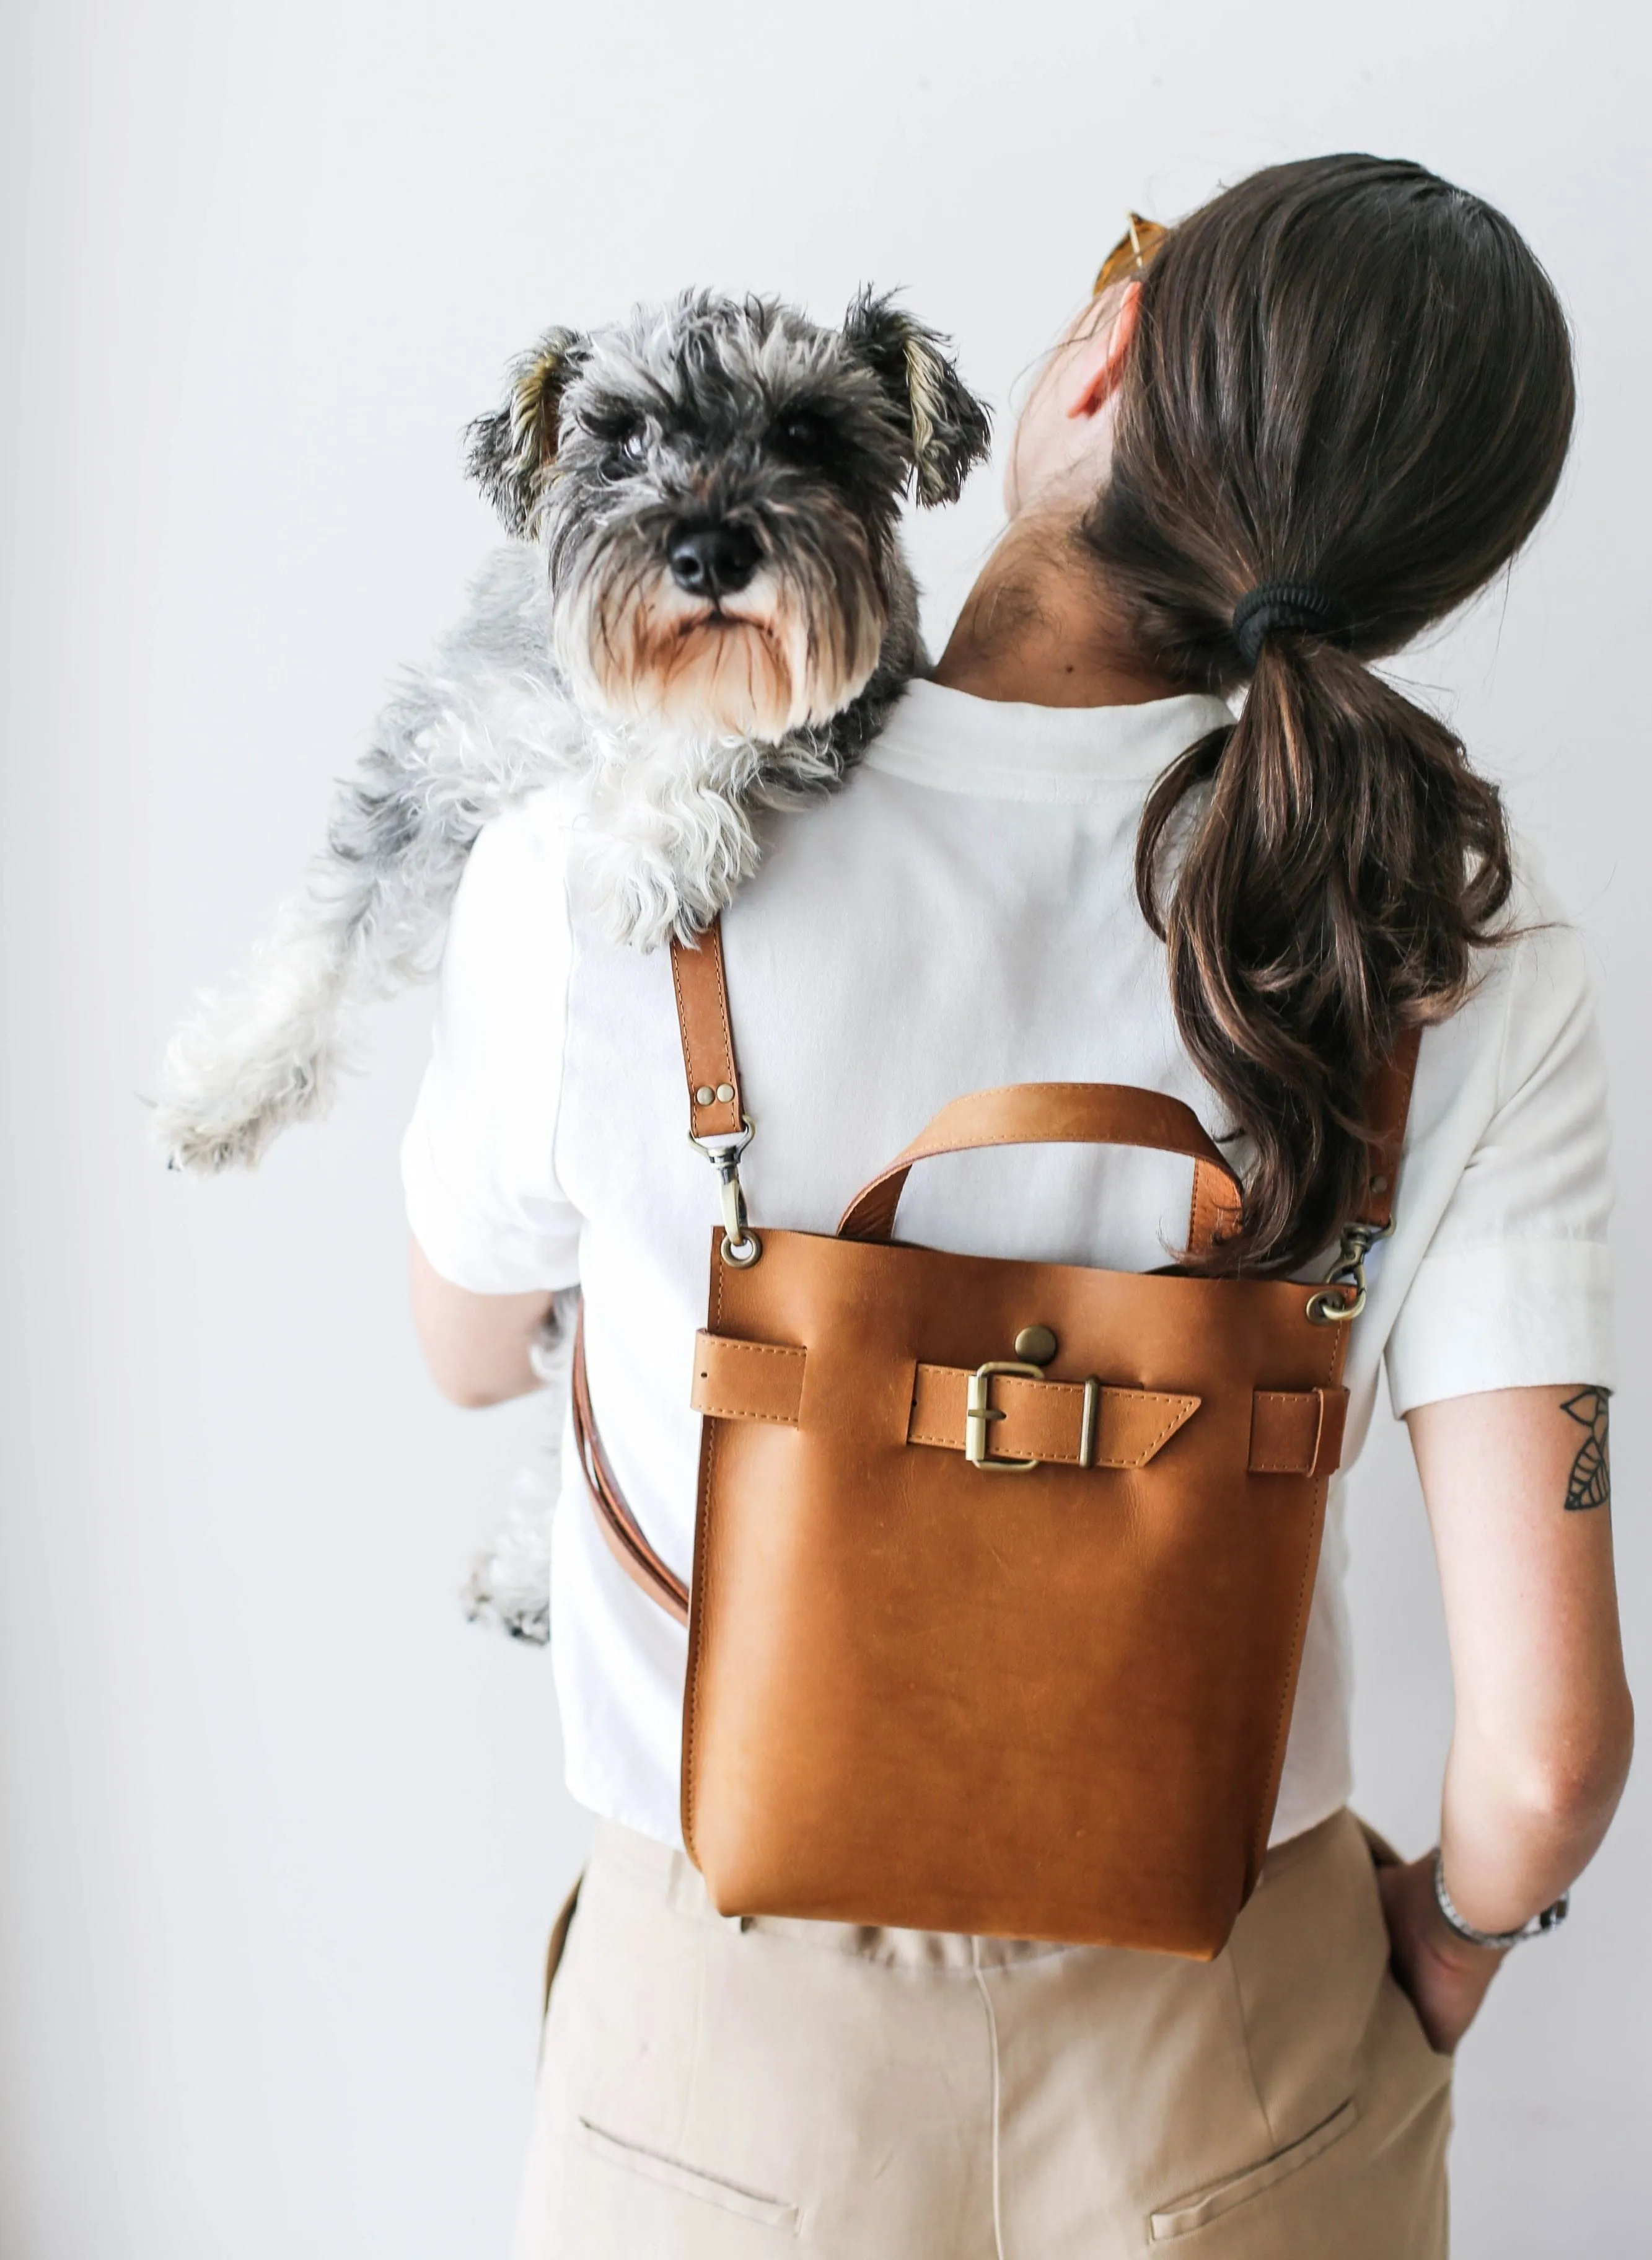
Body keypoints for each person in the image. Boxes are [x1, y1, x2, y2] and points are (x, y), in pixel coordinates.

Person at [403, 156, 1633, 2256]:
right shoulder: (1450, 952)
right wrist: (1441, 1961)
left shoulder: (597, 874)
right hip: (1231, 2053)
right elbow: (1548, 1755)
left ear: (1106, 354)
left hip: (717, 2063)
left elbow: (459, 1351)